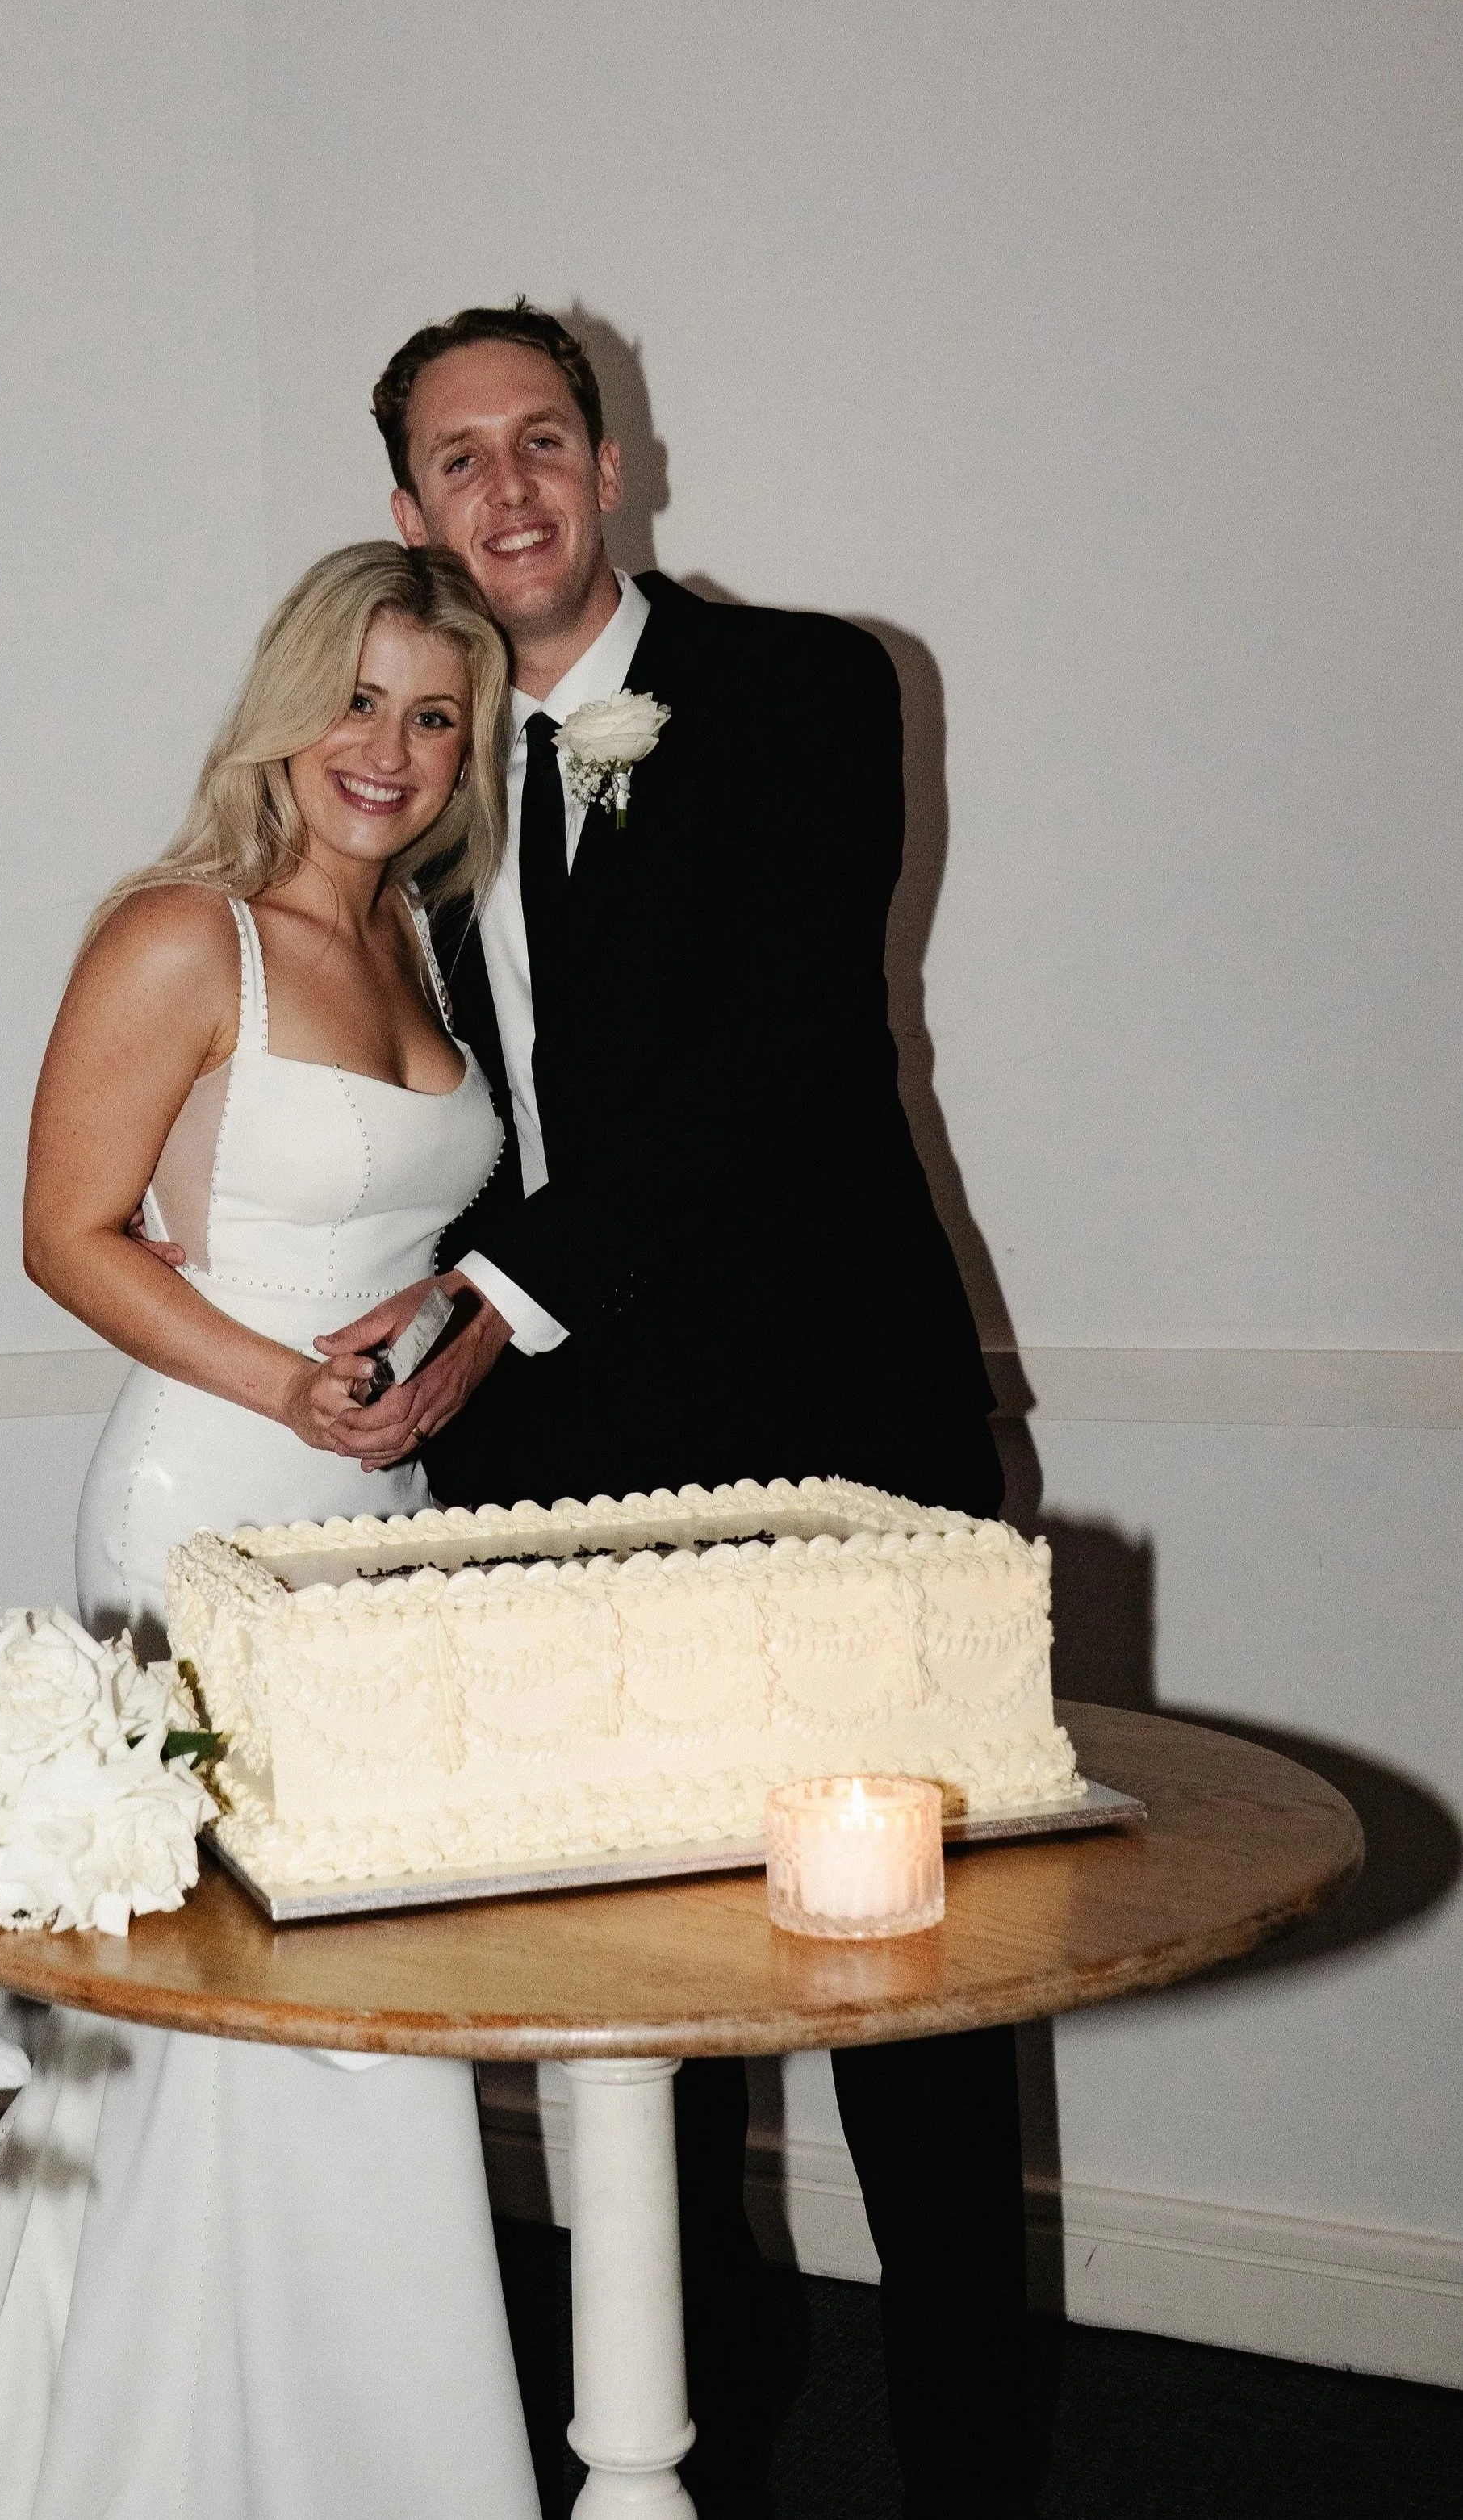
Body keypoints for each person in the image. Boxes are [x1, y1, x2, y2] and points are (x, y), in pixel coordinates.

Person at [0, 542, 541, 2520]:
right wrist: (284, 1385)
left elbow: (413, 1239)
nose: (390, 751)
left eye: (434, 716)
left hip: (380, 1504)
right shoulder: (185, 934)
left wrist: (441, 1358)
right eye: (361, 697)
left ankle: (357, 2443)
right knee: (230, 2004)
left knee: (363, 1994)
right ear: (287, 701)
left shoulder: (425, 942)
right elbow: (61, 1230)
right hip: (211, 1496)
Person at [313, 305, 1032, 2518]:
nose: (505, 488)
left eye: (543, 439)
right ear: (411, 503)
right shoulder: (405, 764)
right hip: (550, 1462)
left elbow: (768, 1050)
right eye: (456, 459)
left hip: (835, 1438)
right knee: (648, 1986)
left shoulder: (808, 685)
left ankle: (966, 2461)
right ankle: (690, 2421)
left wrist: (494, 1295)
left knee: (909, 1997)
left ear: (616, 466)